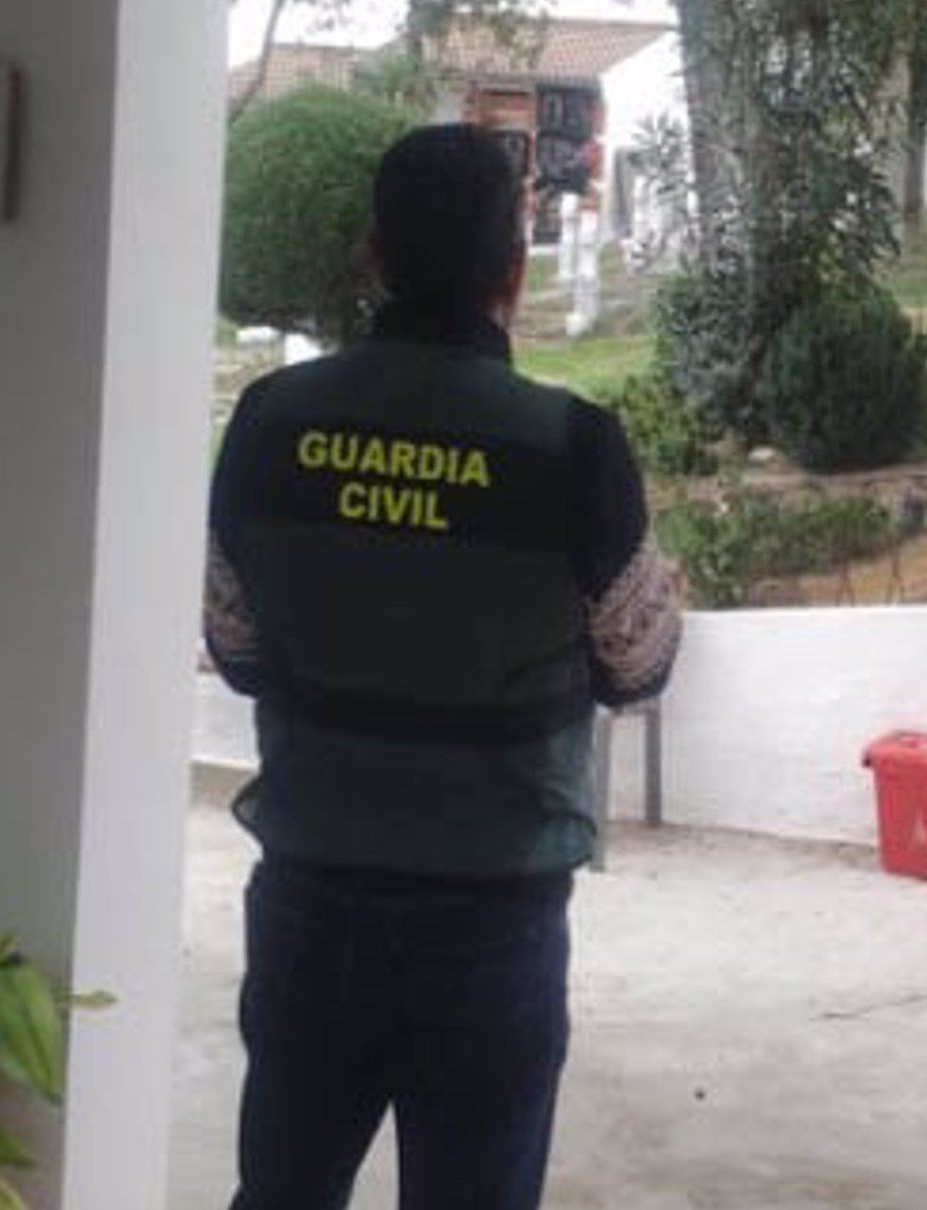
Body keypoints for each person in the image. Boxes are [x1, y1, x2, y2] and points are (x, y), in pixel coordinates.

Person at [204, 123, 681, 1210]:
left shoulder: (272, 422)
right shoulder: (572, 447)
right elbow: (640, 662)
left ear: (373, 252)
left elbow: (233, 647)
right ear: (512, 271)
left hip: (310, 901)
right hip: (491, 920)